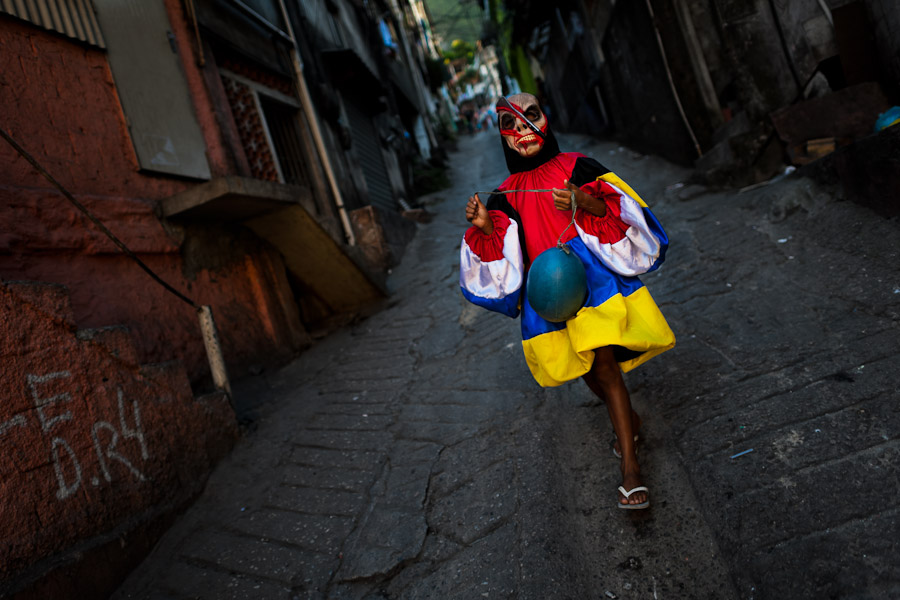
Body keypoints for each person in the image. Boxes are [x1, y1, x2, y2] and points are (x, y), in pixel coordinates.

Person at [459, 93, 675, 509]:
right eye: (511, 125)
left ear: (546, 118)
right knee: (588, 369)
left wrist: (582, 200)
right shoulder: (502, 194)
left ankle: (630, 468)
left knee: (606, 366)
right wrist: (486, 226)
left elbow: (619, 209)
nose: (523, 131)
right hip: (548, 293)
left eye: (530, 118)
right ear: (502, 135)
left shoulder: (578, 166)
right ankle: (629, 423)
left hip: (592, 281)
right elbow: (504, 252)